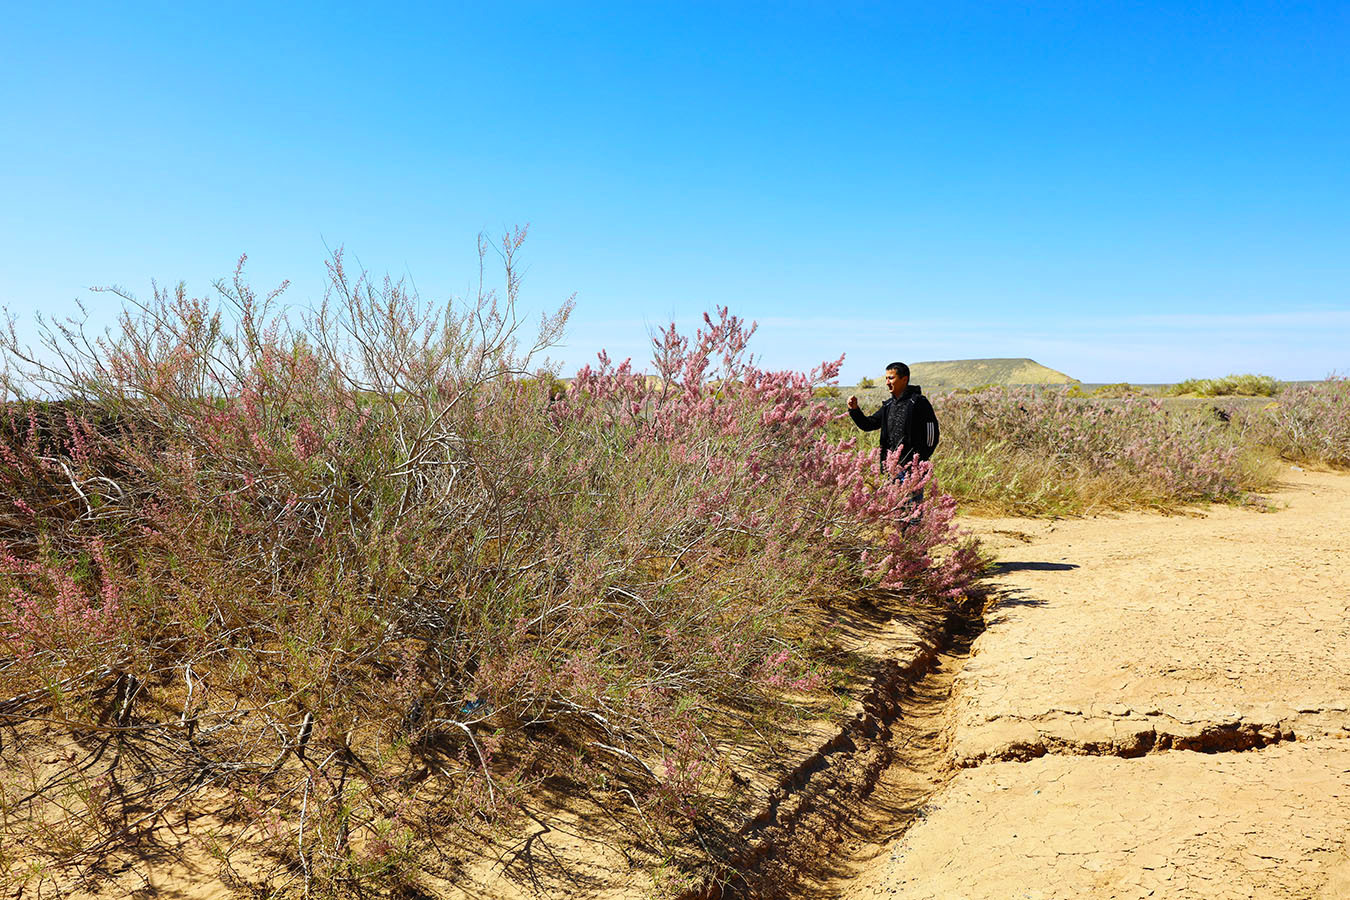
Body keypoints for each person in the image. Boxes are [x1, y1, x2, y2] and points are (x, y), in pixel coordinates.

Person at [847, 362, 939, 495]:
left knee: (912, 512)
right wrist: (854, 410)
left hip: (912, 471)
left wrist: (919, 462)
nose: (887, 382)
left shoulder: (918, 402)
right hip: (891, 469)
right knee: (894, 513)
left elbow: (932, 436)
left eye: (891, 378)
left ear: (904, 379)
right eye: (886, 378)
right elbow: (869, 424)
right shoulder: (889, 405)